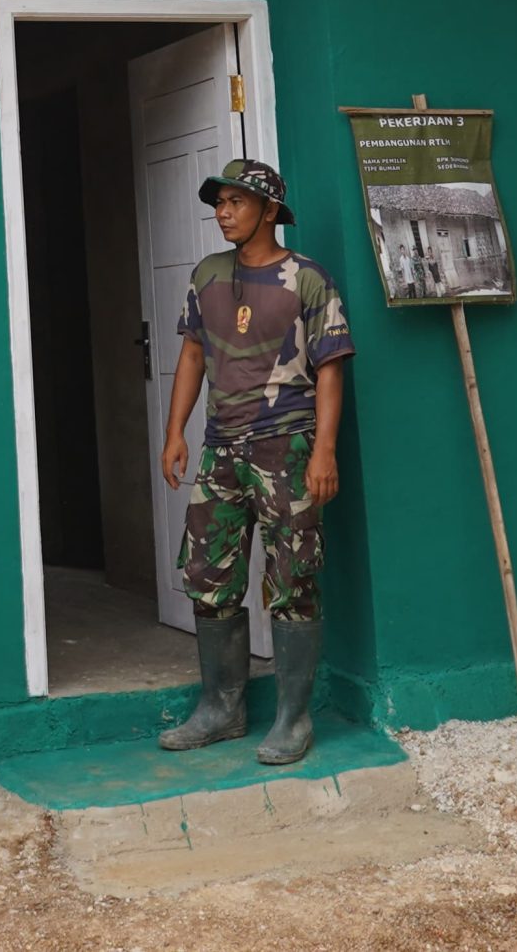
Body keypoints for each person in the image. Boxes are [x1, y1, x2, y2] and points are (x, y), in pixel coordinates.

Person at [158, 158, 354, 765]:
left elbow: (331, 368)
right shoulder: (208, 274)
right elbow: (193, 355)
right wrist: (175, 432)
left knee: (293, 579)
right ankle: (221, 709)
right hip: (221, 448)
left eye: (236, 202)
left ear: (269, 211)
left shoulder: (308, 279)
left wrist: (324, 451)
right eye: (219, 203)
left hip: (286, 446)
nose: (223, 212)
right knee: (208, 577)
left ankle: (293, 719)